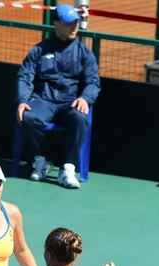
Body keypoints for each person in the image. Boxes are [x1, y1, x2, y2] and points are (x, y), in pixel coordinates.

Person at [14, 4, 101, 189]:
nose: (74, 27)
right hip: (43, 100)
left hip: (70, 102)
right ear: (56, 24)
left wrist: (85, 98)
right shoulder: (39, 50)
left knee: (79, 118)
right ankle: (43, 159)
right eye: (69, 23)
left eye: (76, 23)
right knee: (28, 117)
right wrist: (22, 100)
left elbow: (93, 82)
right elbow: (25, 76)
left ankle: (68, 168)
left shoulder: (85, 54)